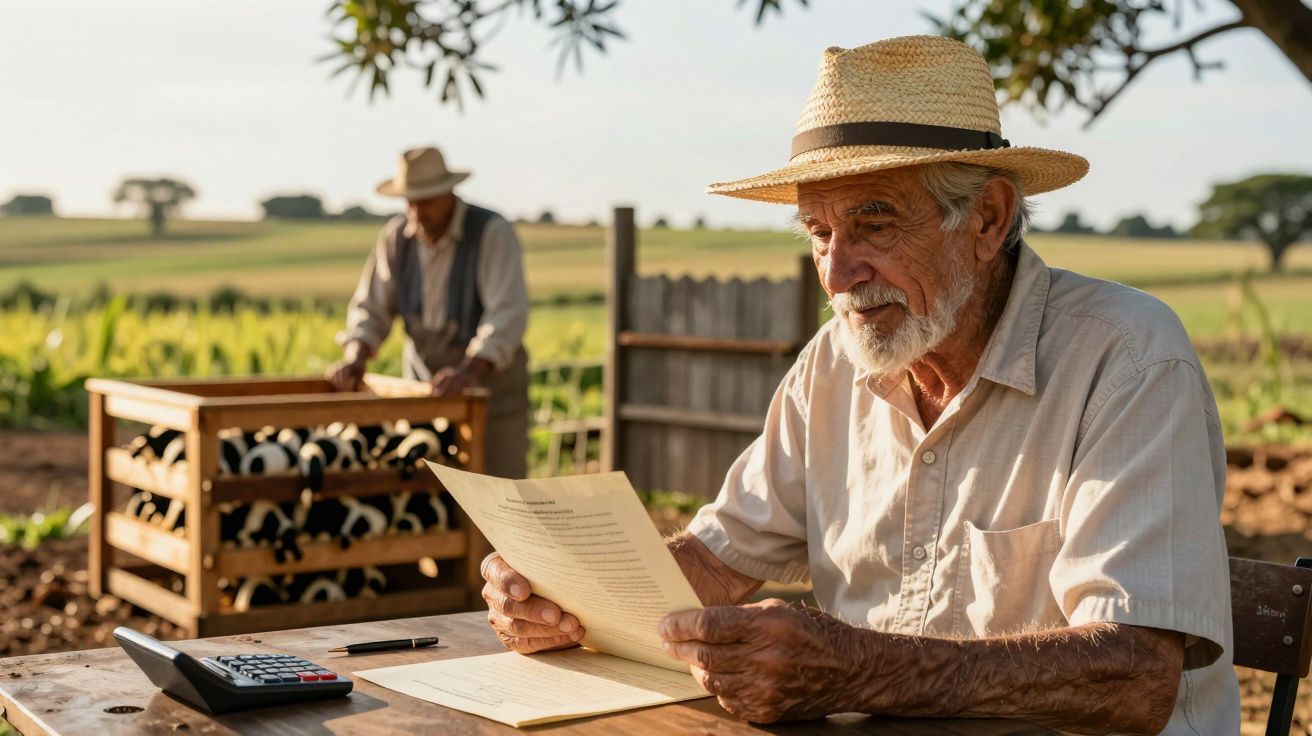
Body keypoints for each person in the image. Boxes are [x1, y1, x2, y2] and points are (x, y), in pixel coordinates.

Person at [479, 36, 1239, 733]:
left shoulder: (1129, 359)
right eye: (818, 233)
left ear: (987, 219)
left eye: (874, 224)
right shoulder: (831, 365)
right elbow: (714, 560)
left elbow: (1137, 675)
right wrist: (565, 595)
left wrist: (857, 668)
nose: (837, 275)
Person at [329, 146, 530, 479]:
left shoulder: (492, 233)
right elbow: (371, 308)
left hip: (490, 393)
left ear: (448, 192)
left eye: (426, 200)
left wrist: (468, 371)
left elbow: (507, 316)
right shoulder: (396, 238)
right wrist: (356, 354)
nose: (418, 210)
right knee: (429, 492)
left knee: (500, 496)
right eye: (410, 201)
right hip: (424, 394)